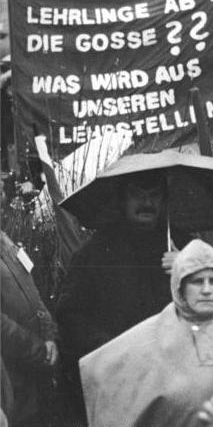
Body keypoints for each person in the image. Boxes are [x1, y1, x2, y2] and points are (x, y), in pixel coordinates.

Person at [79, 239, 213, 426]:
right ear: (180, 286)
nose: (206, 290)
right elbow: (104, 370)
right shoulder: (151, 336)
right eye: (196, 281)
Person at [56, 169, 180, 420]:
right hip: (117, 379)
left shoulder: (182, 246)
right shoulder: (93, 253)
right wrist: (115, 349)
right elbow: (70, 316)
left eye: (154, 195)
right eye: (137, 195)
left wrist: (188, 268)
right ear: (122, 200)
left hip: (173, 380)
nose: (147, 203)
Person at [1, 230, 58, 427]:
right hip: (12, 381)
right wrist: (38, 349)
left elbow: (33, 292)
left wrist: (49, 335)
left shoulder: (5, 241)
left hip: (39, 372)